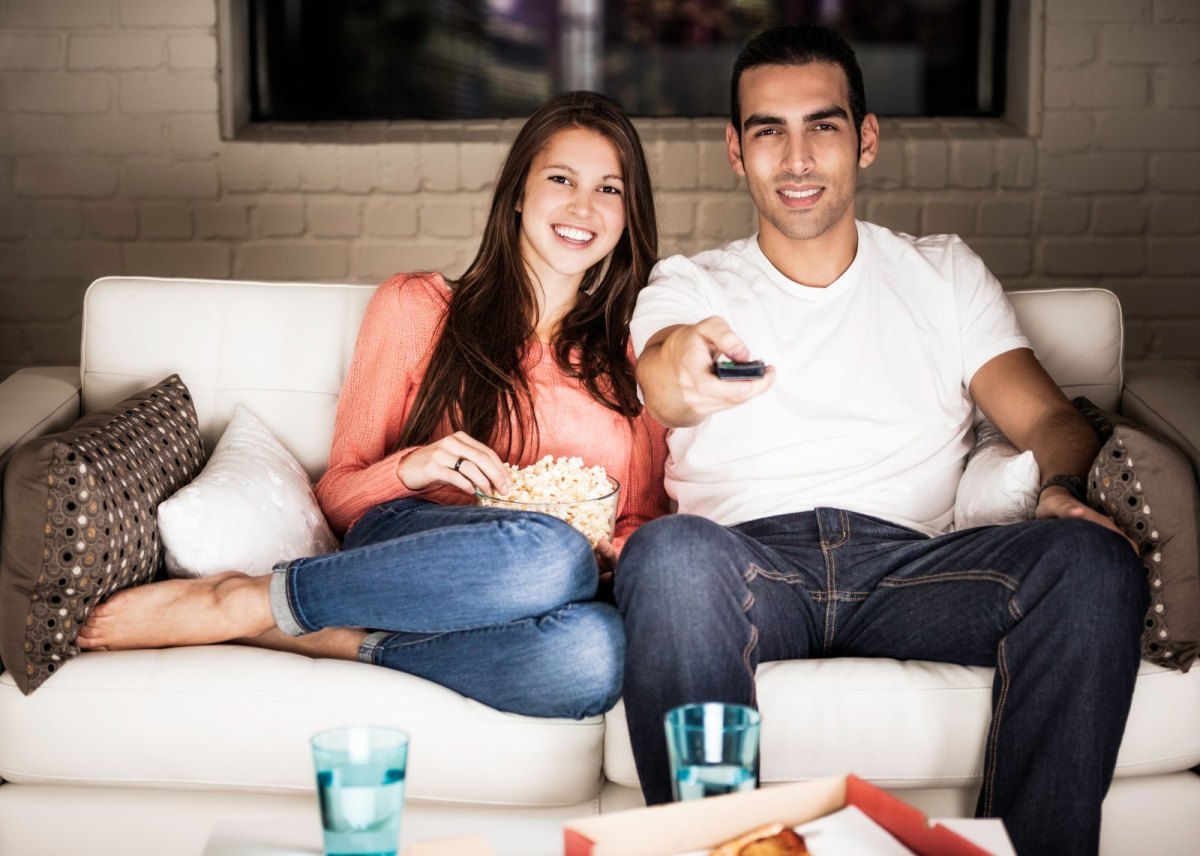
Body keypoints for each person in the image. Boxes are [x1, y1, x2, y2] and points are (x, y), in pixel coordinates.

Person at [616, 23, 1145, 856]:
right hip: (747, 567)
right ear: (734, 148)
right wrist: (682, 367)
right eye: (767, 130)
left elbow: (1047, 420)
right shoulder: (690, 282)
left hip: (918, 568)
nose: (795, 158)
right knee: (669, 557)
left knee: (1094, 565)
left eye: (820, 126)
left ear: (864, 139)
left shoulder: (941, 275)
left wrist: (1057, 491)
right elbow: (660, 378)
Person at [78, 90, 670, 721]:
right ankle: (246, 601)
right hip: (413, 540)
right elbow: (338, 499)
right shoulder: (420, 309)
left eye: (609, 189)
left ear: (628, 214)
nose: (584, 205)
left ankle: (344, 640)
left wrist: (618, 549)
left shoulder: (641, 352)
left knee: (596, 654)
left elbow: (641, 520)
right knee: (550, 553)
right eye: (561, 178)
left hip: (553, 585)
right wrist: (413, 467)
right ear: (518, 192)